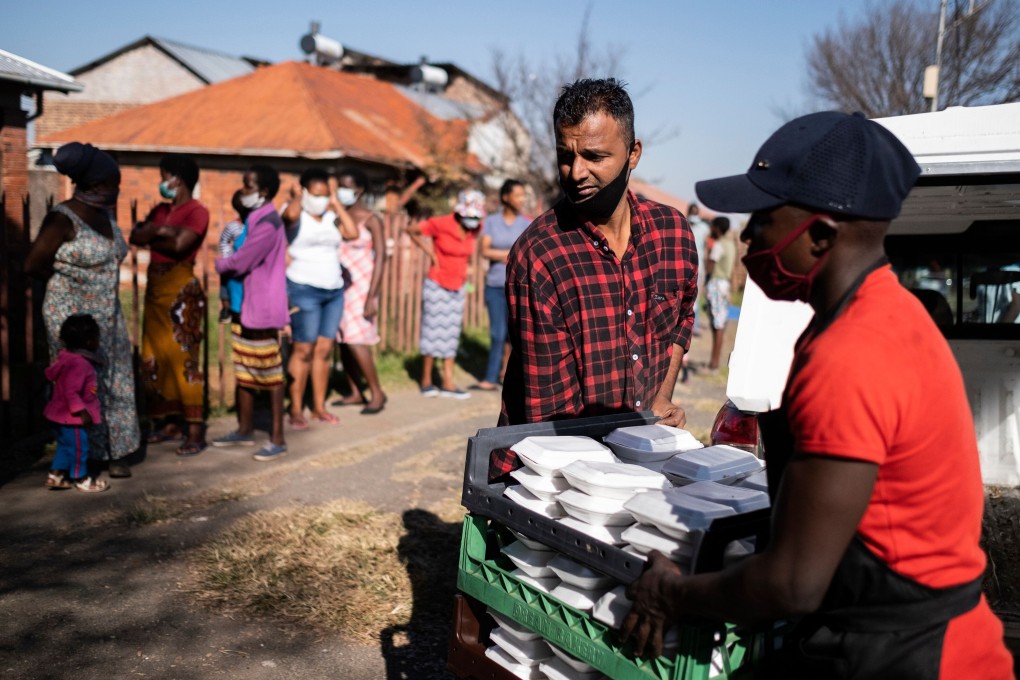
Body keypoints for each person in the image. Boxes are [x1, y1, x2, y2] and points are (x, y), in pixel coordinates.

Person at [621, 111, 1014, 679]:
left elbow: (794, 583)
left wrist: (673, 594)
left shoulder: (852, 354)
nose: (748, 235)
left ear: (821, 235)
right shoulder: (880, 311)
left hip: (909, 657)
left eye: (764, 217)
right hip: (905, 629)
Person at [494, 78, 697, 478]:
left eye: (594, 156)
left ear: (633, 153)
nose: (576, 172)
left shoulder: (672, 233)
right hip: (553, 474)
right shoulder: (540, 255)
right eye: (565, 156)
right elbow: (549, 416)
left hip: (639, 461)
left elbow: (680, 323)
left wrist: (659, 401)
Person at [25, 142, 140, 479]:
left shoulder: (105, 215)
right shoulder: (63, 218)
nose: (116, 189)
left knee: (115, 381)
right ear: (92, 184)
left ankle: (115, 450)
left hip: (110, 315)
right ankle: (81, 455)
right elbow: (33, 264)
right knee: (79, 385)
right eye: (111, 183)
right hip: (74, 320)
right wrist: (70, 286)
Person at [131, 154, 209, 457]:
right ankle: (167, 423)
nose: (162, 182)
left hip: (180, 292)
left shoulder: (197, 211)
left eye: (166, 176)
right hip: (155, 288)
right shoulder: (161, 209)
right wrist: (159, 233)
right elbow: (136, 236)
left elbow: (181, 246)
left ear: (179, 178)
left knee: (183, 359)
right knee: (154, 357)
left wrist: (154, 233)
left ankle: (194, 429)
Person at [213, 166, 290, 462]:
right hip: (243, 305)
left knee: (270, 373)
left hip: (261, 307)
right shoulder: (256, 220)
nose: (243, 192)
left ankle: (278, 438)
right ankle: (244, 429)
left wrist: (220, 264)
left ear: (264, 192)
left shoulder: (268, 224)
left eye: (247, 187)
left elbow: (242, 261)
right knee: (244, 367)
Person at [280, 169, 357, 429]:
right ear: (304, 192)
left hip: (333, 290)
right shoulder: (295, 212)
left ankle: (319, 407)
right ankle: (296, 408)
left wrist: (334, 202)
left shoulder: (332, 216)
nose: (321, 199)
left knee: (323, 351)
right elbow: (289, 215)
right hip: (303, 288)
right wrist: (297, 197)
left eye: (325, 194)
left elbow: (352, 232)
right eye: (317, 194)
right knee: (303, 349)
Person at [406, 189, 486, 399]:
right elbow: (412, 230)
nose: (473, 220)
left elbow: (468, 252)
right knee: (432, 330)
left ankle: (448, 382)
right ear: (459, 212)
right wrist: (430, 253)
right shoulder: (441, 223)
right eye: (469, 216)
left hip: (458, 285)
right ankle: (426, 380)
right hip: (437, 283)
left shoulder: (475, 228)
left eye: (476, 217)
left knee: (451, 333)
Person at [335, 168, 388, 415]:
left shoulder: (372, 219)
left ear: (360, 190)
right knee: (343, 341)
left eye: (346, 186)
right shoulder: (338, 218)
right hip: (339, 285)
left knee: (356, 340)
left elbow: (381, 259)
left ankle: (376, 392)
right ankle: (355, 391)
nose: (341, 191)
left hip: (362, 287)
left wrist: (371, 296)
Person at [43, 314, 109, 493]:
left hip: (57, 416)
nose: (98, 342)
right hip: (71, 419)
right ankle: (82, 479)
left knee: (65, 446)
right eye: (96, 338)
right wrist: (81, 412)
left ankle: (56, 475)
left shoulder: (65, 358)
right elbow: (71, 391)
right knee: (80, 448)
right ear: (88, 341)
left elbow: (51, 376)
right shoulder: (80, 364)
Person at [475, 179, 530, 392]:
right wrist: (511, 254)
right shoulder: (491, 221)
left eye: (523, 195)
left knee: (513, 334)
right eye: (518, 195)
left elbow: (527, 255)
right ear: (506, 197)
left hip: (517, 287)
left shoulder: (526, 224)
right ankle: (490, 377)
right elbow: (484, 250)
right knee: (497, 333)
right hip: (495, 286)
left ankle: (507, 375)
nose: (521, 199)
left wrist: (503, 255)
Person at [704, 215, 735, 372]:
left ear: (717, 228)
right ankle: (714, 362)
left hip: (716, 283)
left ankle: (714, 363)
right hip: (725, 285)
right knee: (720, 323)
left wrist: (704, 285)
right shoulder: (731, 245)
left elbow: (710, 266)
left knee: (717, 325)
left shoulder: (718, 245)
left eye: (713, 226)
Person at [686, 202, 711, 337]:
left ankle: (692, 326)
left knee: (693, 296)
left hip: (696, 265)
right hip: (689, 264)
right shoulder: (685, 223)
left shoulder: (702, 228)